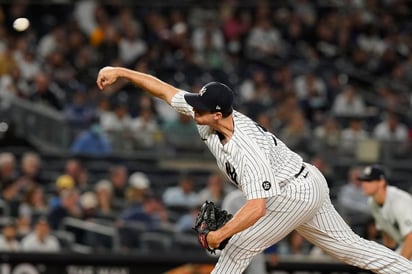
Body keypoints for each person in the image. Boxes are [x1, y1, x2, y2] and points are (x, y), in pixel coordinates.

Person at [96, 66, 412, 273]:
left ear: (217, 114)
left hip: (295, 191)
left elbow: (258, 208)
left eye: (200, 109)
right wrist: (120, 72)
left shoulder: (244, 147)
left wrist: (220, 235)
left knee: (238, 246)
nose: (193, 110)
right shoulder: (208, 115)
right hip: (301, 181)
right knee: (352, 249)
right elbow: (164, 90)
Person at [358, 164, 412, 260]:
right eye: (363, 181)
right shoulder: (372, 202)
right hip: (405, 245)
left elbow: (411, 237)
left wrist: (400, 266)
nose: (364, 184)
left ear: (381, 182)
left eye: (369, 181)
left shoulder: (399, 200)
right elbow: (387, 232)